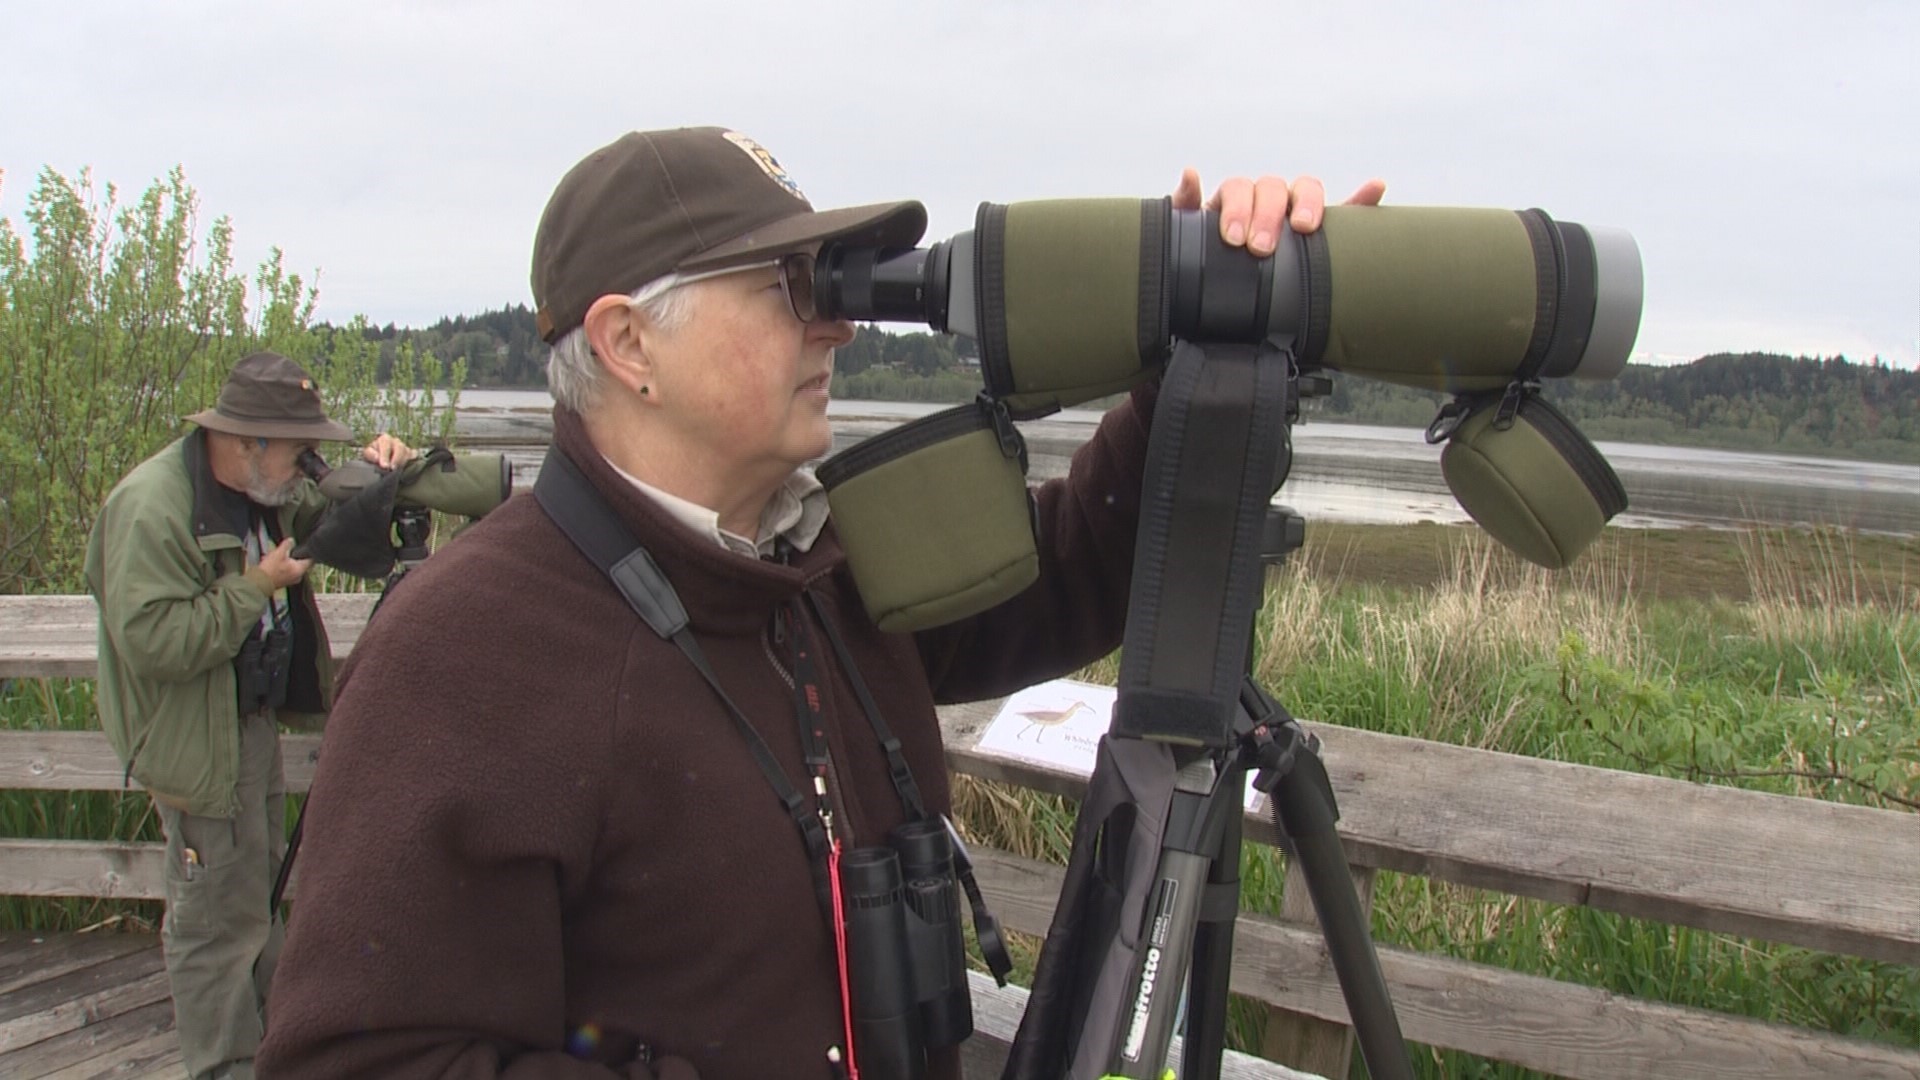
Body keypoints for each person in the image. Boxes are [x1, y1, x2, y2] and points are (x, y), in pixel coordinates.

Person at [256, 127, 1384, 1079]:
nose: (839, 324)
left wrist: (1215, 335)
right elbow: (358, 1061)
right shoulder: (468, 655)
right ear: (629, 342)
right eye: (791, 287)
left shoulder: (823, 565)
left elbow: (1078, 565)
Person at [83, 351, 414, 1080]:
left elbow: (324, 517)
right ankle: (224, 1066)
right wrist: (257, 587)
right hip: (197, 739)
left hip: (248, 721)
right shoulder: (152, 508)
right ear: (247, 441)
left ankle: (266, 1047)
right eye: (300, 449)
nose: (306, 464)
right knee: (214, 922)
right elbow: (156, 642)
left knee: (255, 897)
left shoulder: (255, 488)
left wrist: (380, 471)